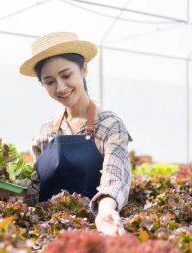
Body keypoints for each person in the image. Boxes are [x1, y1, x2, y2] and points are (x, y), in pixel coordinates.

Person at [19, 32, 133, 236]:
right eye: (49, 81)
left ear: (84, 69)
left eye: (66, 75)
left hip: (95, 234)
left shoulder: (109, 124)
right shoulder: (43, 133)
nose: (60, 87)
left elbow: (115, 179)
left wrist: (105, 211)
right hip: (47, 235)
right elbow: (33, 194)